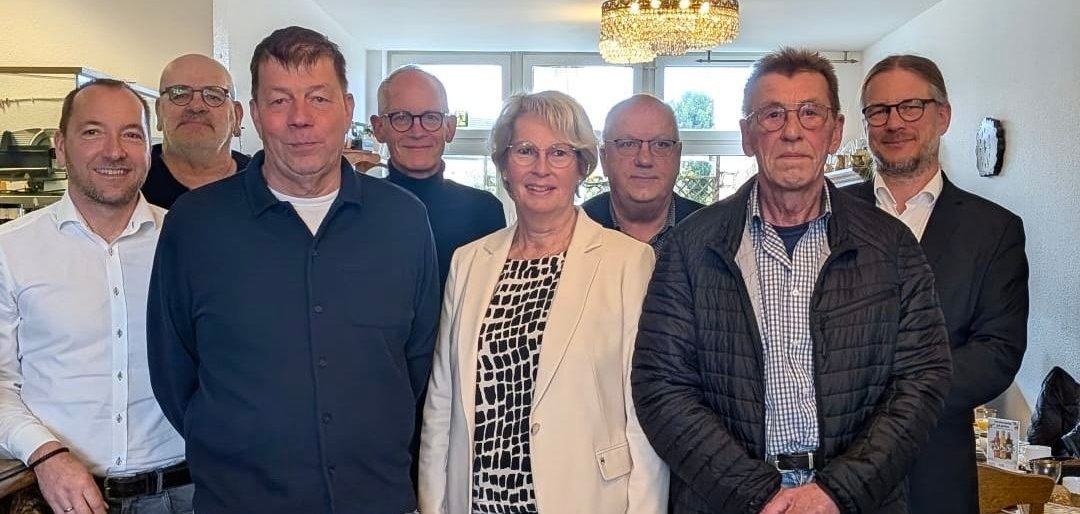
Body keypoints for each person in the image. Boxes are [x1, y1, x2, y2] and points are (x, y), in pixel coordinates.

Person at [630, 47, 952, 514]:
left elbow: (922, 380)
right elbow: (661, 387)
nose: (792, 131)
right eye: (772, 114)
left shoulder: (892, 246)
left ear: (835, 131)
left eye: (810, 113)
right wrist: (756, 493)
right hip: (728, 503)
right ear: (747, 135)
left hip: (857, 503)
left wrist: (838, 491)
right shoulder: (690, 247)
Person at [147, 26, 439, 513]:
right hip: (240, 501)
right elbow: (174, 372)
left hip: (375, 498)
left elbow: (416, 360)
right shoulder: (194, 225)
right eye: (280, 100)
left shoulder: (404, 219)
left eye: (318, 98)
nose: (300, 118)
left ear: (346, 108)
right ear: (254, 114)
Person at [419, 90, 668, 514]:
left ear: (582, 166)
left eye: (559, 153)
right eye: (525, 151)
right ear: (503, 165)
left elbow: (642, 412)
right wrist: (433, 504)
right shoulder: (469, 262)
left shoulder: (628, 262)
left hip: (586, 497)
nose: (541, 167)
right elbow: (441, 402)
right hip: (477, 499)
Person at [847, 54, 1028, 514]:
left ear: (942, 116)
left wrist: (894, 394)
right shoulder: (827, 215)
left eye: (911, 107)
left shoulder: (994, 230)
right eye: (879, 111)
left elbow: (997, 352)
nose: (894, 123)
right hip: (834, 475)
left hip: (935, 474)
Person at [0, 79, 191, 514]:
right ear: (60, 146)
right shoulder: (10, 250)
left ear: (148, 149)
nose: (114, 151)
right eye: (92, 132)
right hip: (57, 495)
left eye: (131, 134)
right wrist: (45, 454)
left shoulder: (187, 240)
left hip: (184, 493)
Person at [372, 65, 506, 287]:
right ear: (378, 128)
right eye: (401, 118)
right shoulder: (355, 210)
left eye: (431, 117)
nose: (417, 132)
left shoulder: (485, 211)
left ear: (450, 128)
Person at [583, 94, 704, 251]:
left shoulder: (714, 229)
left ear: (678, 156)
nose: (645, 160)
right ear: (604, 158)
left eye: (661, 145)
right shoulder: (574, 231)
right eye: (628, 144)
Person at [142, 54, 250, 208]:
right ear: (159, 112)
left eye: (213, 96)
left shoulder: (266, 184)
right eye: (179, 94)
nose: (196, 107)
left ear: (237, 116)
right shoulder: (129, 183)